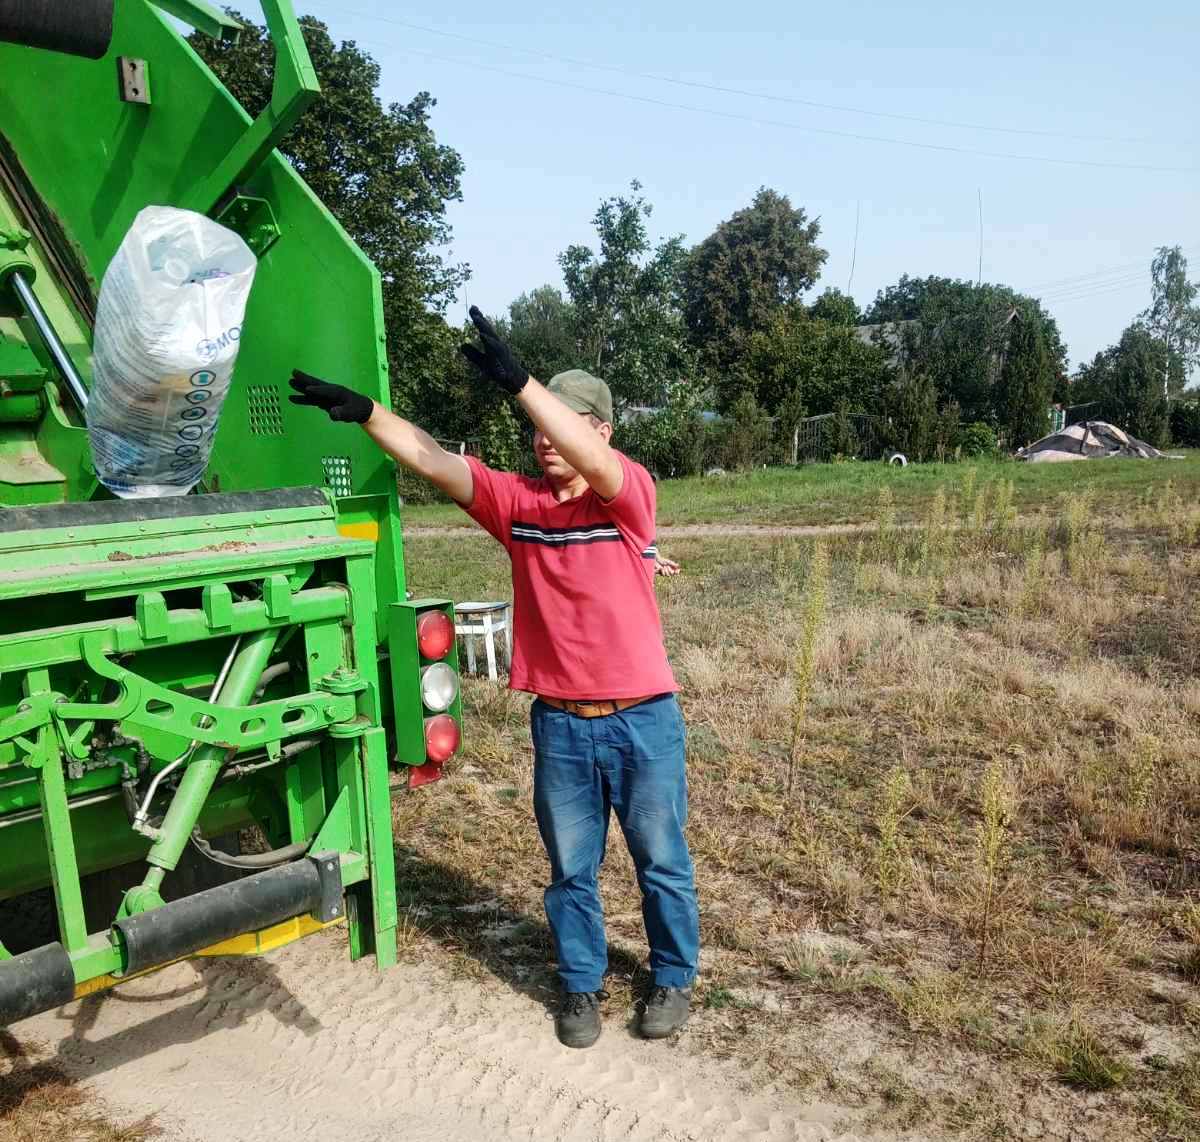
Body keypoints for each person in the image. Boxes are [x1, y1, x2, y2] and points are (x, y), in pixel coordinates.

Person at [288, 308, 700, 1049]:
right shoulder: (519, 507)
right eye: (538, 427)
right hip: (564, 724)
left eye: (564, 426)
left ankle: (671, 977)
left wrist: (520, 383)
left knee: (661, 861)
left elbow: (596, 463)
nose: (545, 439)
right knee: (571, 868)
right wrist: (369, 413)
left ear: (600, 432)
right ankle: (580, 987)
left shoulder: (629, 497)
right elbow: (435, 460)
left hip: (644, 719)